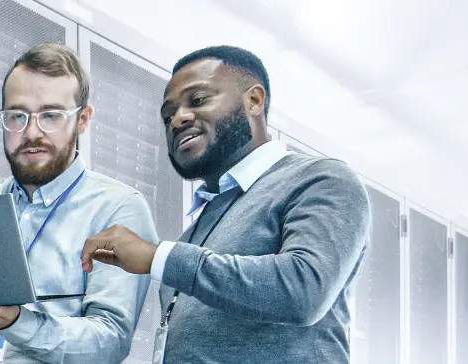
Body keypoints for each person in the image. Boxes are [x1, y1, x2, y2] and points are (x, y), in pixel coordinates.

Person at [80, 45, 371, 364]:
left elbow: (304, 290)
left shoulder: (321, 179)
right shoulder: (195, 231)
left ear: (254, 100)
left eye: (198, 100)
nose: (178, 119)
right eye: (168, 115)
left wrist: (158, 256)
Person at [0, 43, 160, 364]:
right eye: (17, 116)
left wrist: (16, 322)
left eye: (50, 115)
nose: (31, 132)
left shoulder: (118, 209)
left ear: (83, 120)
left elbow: (109, 341)